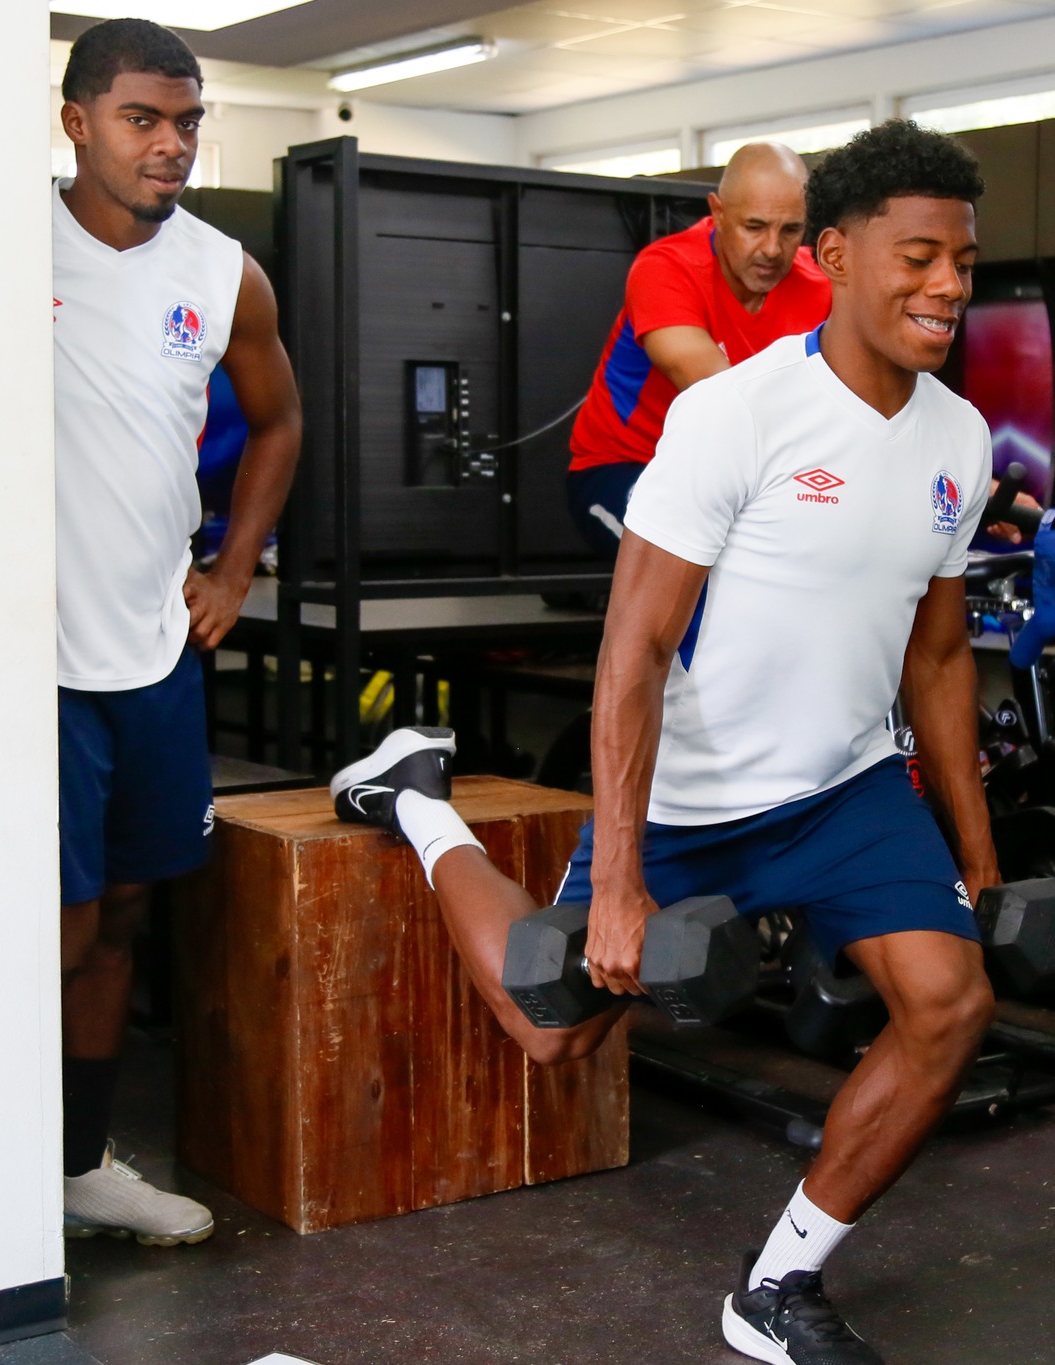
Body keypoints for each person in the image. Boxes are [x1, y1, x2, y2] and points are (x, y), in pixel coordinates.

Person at [334, 120, 998, 1364]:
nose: (947, 287)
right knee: (551, 1036)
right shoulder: (733, 418)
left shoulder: (958, 437)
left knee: (951, 1003)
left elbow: (940, 654)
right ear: (839, 255)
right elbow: (630, 654)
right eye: (919, 258)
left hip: (847, 788)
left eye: (962, 261)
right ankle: (418, 801)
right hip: (693, 797)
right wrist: (623, 884)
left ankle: (778, 1285)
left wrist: (980, 854)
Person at [54, 19, 301, 1243]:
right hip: (26, 655)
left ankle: (79, 1166)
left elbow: (278, 421)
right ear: (78, 123)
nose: (170, 145)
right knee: (58, 922)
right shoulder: (0, 244)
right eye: (143, 119)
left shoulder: (222, 271)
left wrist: (232, 567)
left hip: (154, 645)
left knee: (131, 913)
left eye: (187, 121)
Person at [564, 142, 831, 559]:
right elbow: (719, 399)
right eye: (754, 226)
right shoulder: (666, 269)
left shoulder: (817, 287)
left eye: (791, 230)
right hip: (628, 468)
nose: (772, 249)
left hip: (744, 480)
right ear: (718, 212)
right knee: (700, 567)